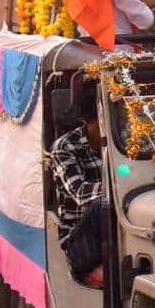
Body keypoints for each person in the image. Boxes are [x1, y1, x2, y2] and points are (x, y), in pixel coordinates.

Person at [49, 96, 105, 287]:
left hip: (114, 233)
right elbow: (79, 192)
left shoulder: (123, 143)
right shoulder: (64, 148)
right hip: (80, 241)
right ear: (88, 120)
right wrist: (119, 189)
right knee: (101, 205)